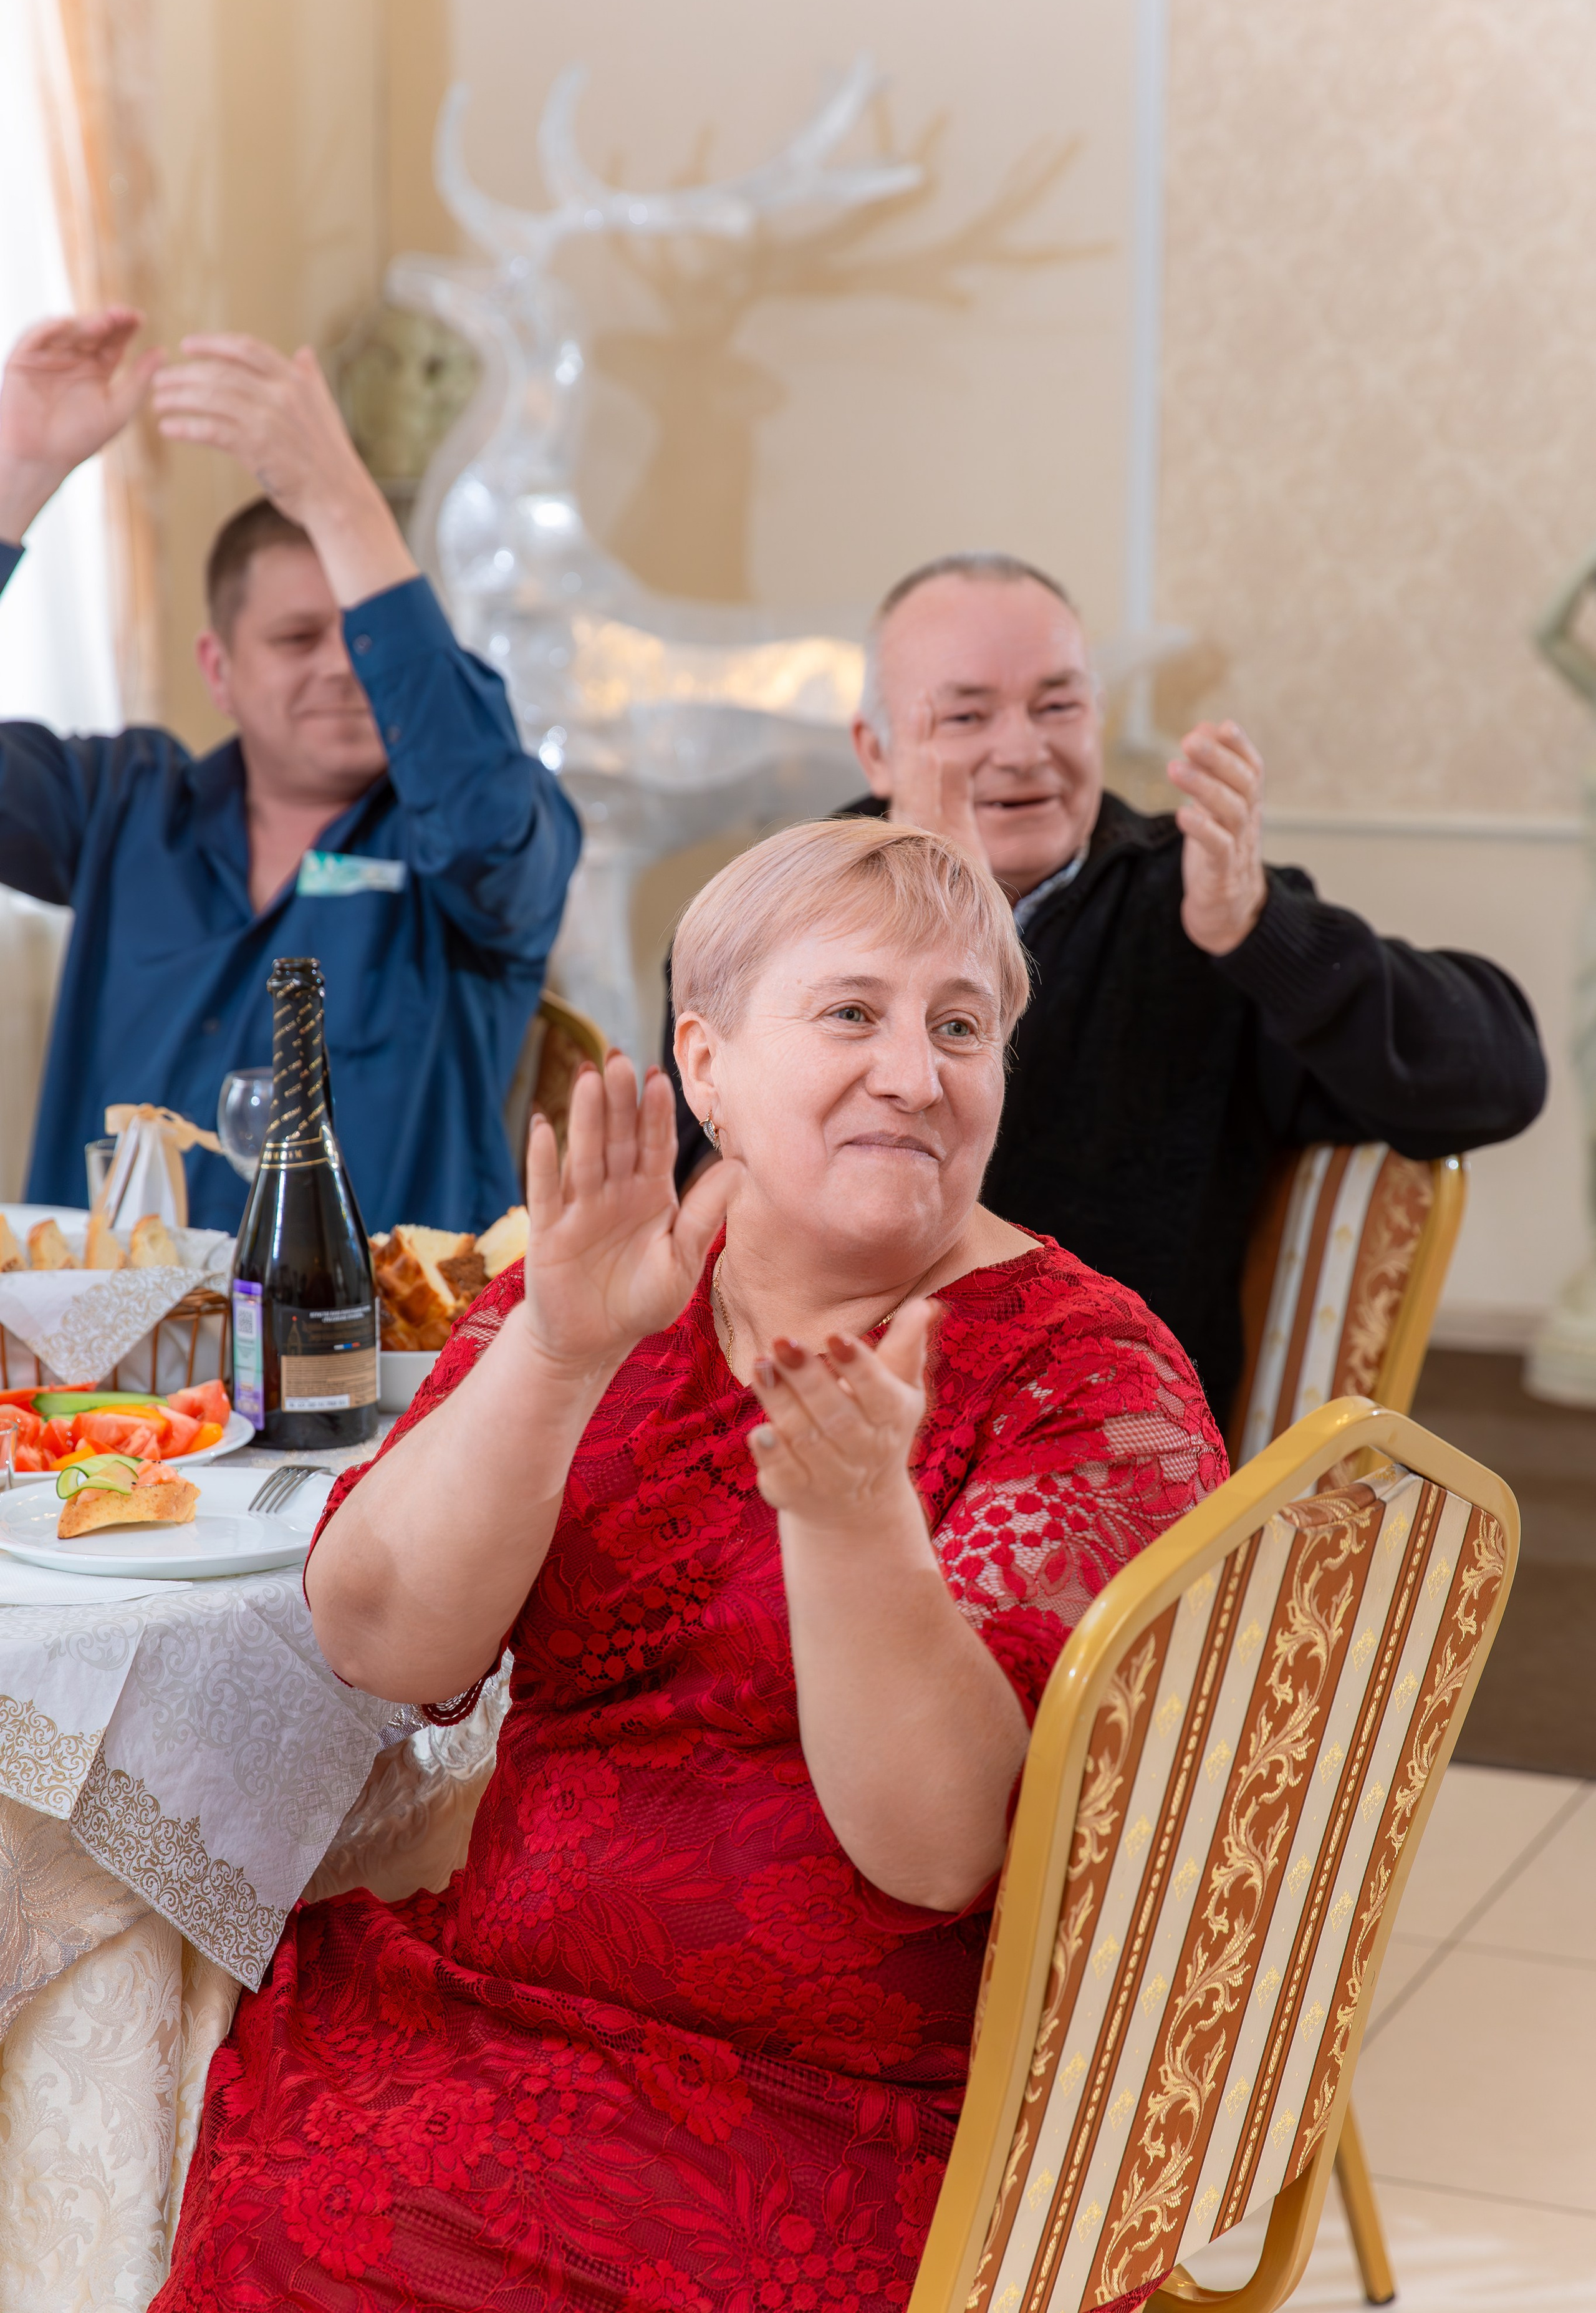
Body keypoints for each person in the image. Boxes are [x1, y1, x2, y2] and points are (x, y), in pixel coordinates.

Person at [156, 819, 1226, 2311]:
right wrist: (555, 1346)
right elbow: (383, 1642)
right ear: (705, 1066)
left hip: (861, 2104)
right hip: (511, 2012)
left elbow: (941, 1852)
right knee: (255, 2171)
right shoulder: (617, 1272)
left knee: (373, 2240)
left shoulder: (1084, 1374)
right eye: (851, 1013)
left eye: (961, 1028)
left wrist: (856, 1527)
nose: (914, 1073)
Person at [666, 554, 1547, 1424]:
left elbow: (1494, 1083)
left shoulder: (1195, 896)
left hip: (1093, 1430)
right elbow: (698, 1191)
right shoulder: (777, 913)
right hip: (786, 1418)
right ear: (876, 749)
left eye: (1059, 706)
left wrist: (1257, 930)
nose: (1022, 750)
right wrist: (937, 926)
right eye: (967, 714)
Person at [0, 309, 580, 1232]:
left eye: (363, 634)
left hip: (378, 1357)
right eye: (296, 638)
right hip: (105, 1360)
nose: (345, 665)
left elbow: (480, 821)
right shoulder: (124, 805)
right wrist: (14, 475)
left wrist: (344, 505)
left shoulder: (481, 838)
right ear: (218, 669)